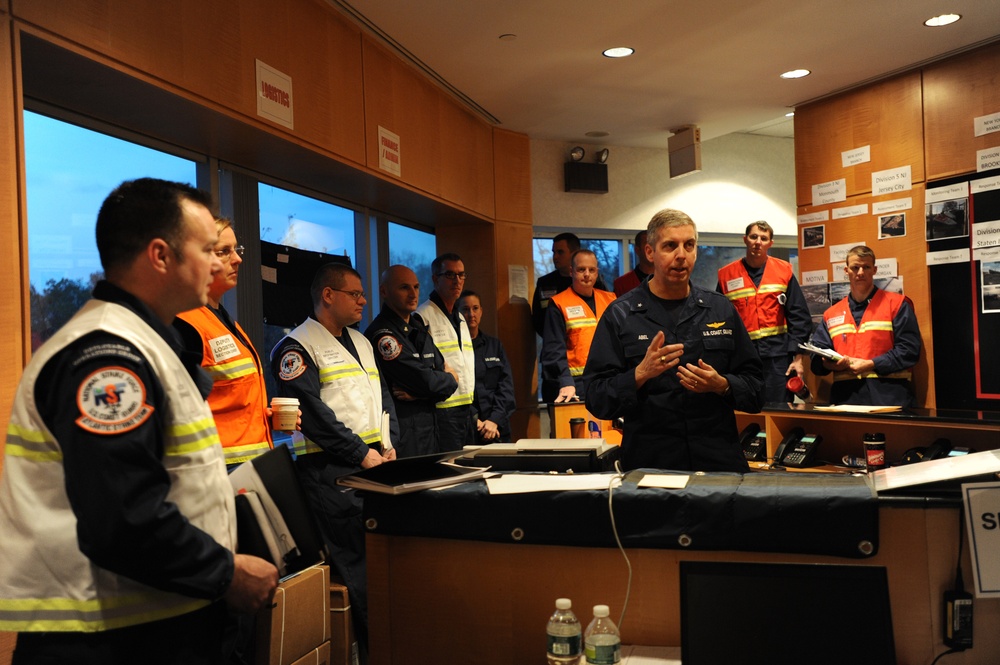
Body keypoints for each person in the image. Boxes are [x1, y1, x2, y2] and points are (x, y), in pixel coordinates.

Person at [0, 178, 277, 665]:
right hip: (107, 639)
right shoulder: (108, 356)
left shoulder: (148, 342)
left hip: (151, 623)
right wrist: (226, 574)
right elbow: (124, 519)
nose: (218, 263)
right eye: (208, 249)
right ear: (160, 255)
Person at [270, 263, 397, 665]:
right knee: (357, 568)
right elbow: (316, 415)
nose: (363, 301)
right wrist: (361, 453)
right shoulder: (295, 347)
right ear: (328, 295)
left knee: (382, 564)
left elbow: (383, 397)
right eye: (354, 294)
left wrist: (389, 444)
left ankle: (391, 648)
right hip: (331, 471)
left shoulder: (361, 341)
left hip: (376, 461)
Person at [585, 208, 764, 472]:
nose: (681, 255)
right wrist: (638, 375)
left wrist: (723, 385)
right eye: (670, 246)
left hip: (718, 463)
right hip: (651, 466)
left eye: (688, 245)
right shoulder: (621, 314)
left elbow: (757, 390)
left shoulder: (720, 309)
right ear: (649, 252)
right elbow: (595, 397)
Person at [175, 216, 273, 467]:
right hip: (218, 471)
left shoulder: (225, 322)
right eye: (224, 252)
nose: (238, 259)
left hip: (250, 466)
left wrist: (261, 417)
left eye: (236, 250)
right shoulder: (184, 325)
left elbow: (226, 400)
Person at [807, 245, 921, 406]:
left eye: (866, 267)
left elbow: (909, 350)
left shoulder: (897, 304)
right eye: (855, 267)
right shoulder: (832, 313)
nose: (860, 272)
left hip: (890, 397)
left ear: (874, 270)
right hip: (845, 399)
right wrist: (828, 363)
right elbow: (817, 356)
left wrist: (871, 364)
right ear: (846, 271)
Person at [365, 265, 459, 457]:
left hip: (430, 432)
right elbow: (427, 381)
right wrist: (450, 379)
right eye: (404, 287)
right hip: (403, 437)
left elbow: (435, 381)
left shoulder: (418, 327)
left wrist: (422, 394)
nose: (413, 294)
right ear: (384, 291)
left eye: (416, 287)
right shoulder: (383, 335)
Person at [716, 221, 812, 403]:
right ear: (745, 240)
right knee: (744, 407)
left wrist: (798, 358)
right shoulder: (726, 275)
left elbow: (799, 318)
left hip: (777, 358)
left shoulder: (784, 271)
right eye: (753, 237)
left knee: (778, 410)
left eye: (763, 238)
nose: (758, 242)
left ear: (770, 243)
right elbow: (719, 320)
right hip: (742, 357)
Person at [416, 253, 477, 451]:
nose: (457, 281)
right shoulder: (422, 316)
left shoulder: (459, 317)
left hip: (466, 409)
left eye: (461, 275)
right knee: (451, 471)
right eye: (450, 275)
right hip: (442, 410)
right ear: (435, 278)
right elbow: (421, 368)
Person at [541, 249, 616, 403]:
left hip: (607, 379)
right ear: (571, 271)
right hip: (575, 384)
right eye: (581, 269)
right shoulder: (559, 303)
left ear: (597, 272)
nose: (587, 274)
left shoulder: (611, 300)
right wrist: (565, 381)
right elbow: (554, 349)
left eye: (591, 270)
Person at [458, 290, 516, 443]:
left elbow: (506, 388)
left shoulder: (494, 346)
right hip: (469, 429)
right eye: (465, 309)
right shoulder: (454, 349)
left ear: (481, 311)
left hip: (497, 428)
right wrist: (474, 419)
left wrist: (494, 420)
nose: (471, 314)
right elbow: (455, 391)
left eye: (475, 308)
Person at [531, 232, 608, 335]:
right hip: (554, 341)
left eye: (560, 252)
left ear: (574, 254)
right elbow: (538, 319)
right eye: (554, 252)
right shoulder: (545, 282)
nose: (555, 257)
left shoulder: (594, 282)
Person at [613, 229, 654, 296]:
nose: (651, 248)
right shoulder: (622, 284)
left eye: (653, 243)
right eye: (647, 244)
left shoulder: (669, 279)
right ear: (637, 250)